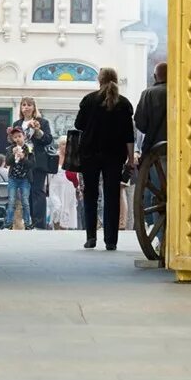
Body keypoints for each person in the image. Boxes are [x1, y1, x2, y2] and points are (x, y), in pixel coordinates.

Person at [74, 67, 136, 251]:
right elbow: (129, 135)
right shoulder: (124, 103)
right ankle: (111, 240)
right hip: (114, 155)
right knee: (112, 196)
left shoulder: (89, 100)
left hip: (90, 154)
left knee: (91, 195)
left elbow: (79, 125)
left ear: (99, 80)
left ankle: (91, 237)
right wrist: (131, 160)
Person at [11, 96, 55, 230]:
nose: (26, 107)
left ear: (34, 107)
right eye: (24, 105)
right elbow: (13, 140)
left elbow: (48, 139)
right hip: (22, 162)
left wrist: (37, 131)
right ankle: (29, 222)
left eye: (29, 105)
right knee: (26, 193)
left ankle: (39, 223)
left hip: (37, 161)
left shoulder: (42, 122)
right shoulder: (17, 124)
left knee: (37, 191)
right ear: (21, 108)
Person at [2, 127, 35, 229]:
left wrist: (23, 158)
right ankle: (8, 223)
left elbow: (32, 164)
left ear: (24, 136)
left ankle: (28, 223)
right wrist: (13, 153)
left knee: (25, 201)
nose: (17, 139)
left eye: (19, 136)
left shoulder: (29, 149)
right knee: (11, 201)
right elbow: (7, 162)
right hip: (13, 178)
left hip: (25, 179)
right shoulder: (10, 148)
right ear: (12, 139)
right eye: (15, 137)